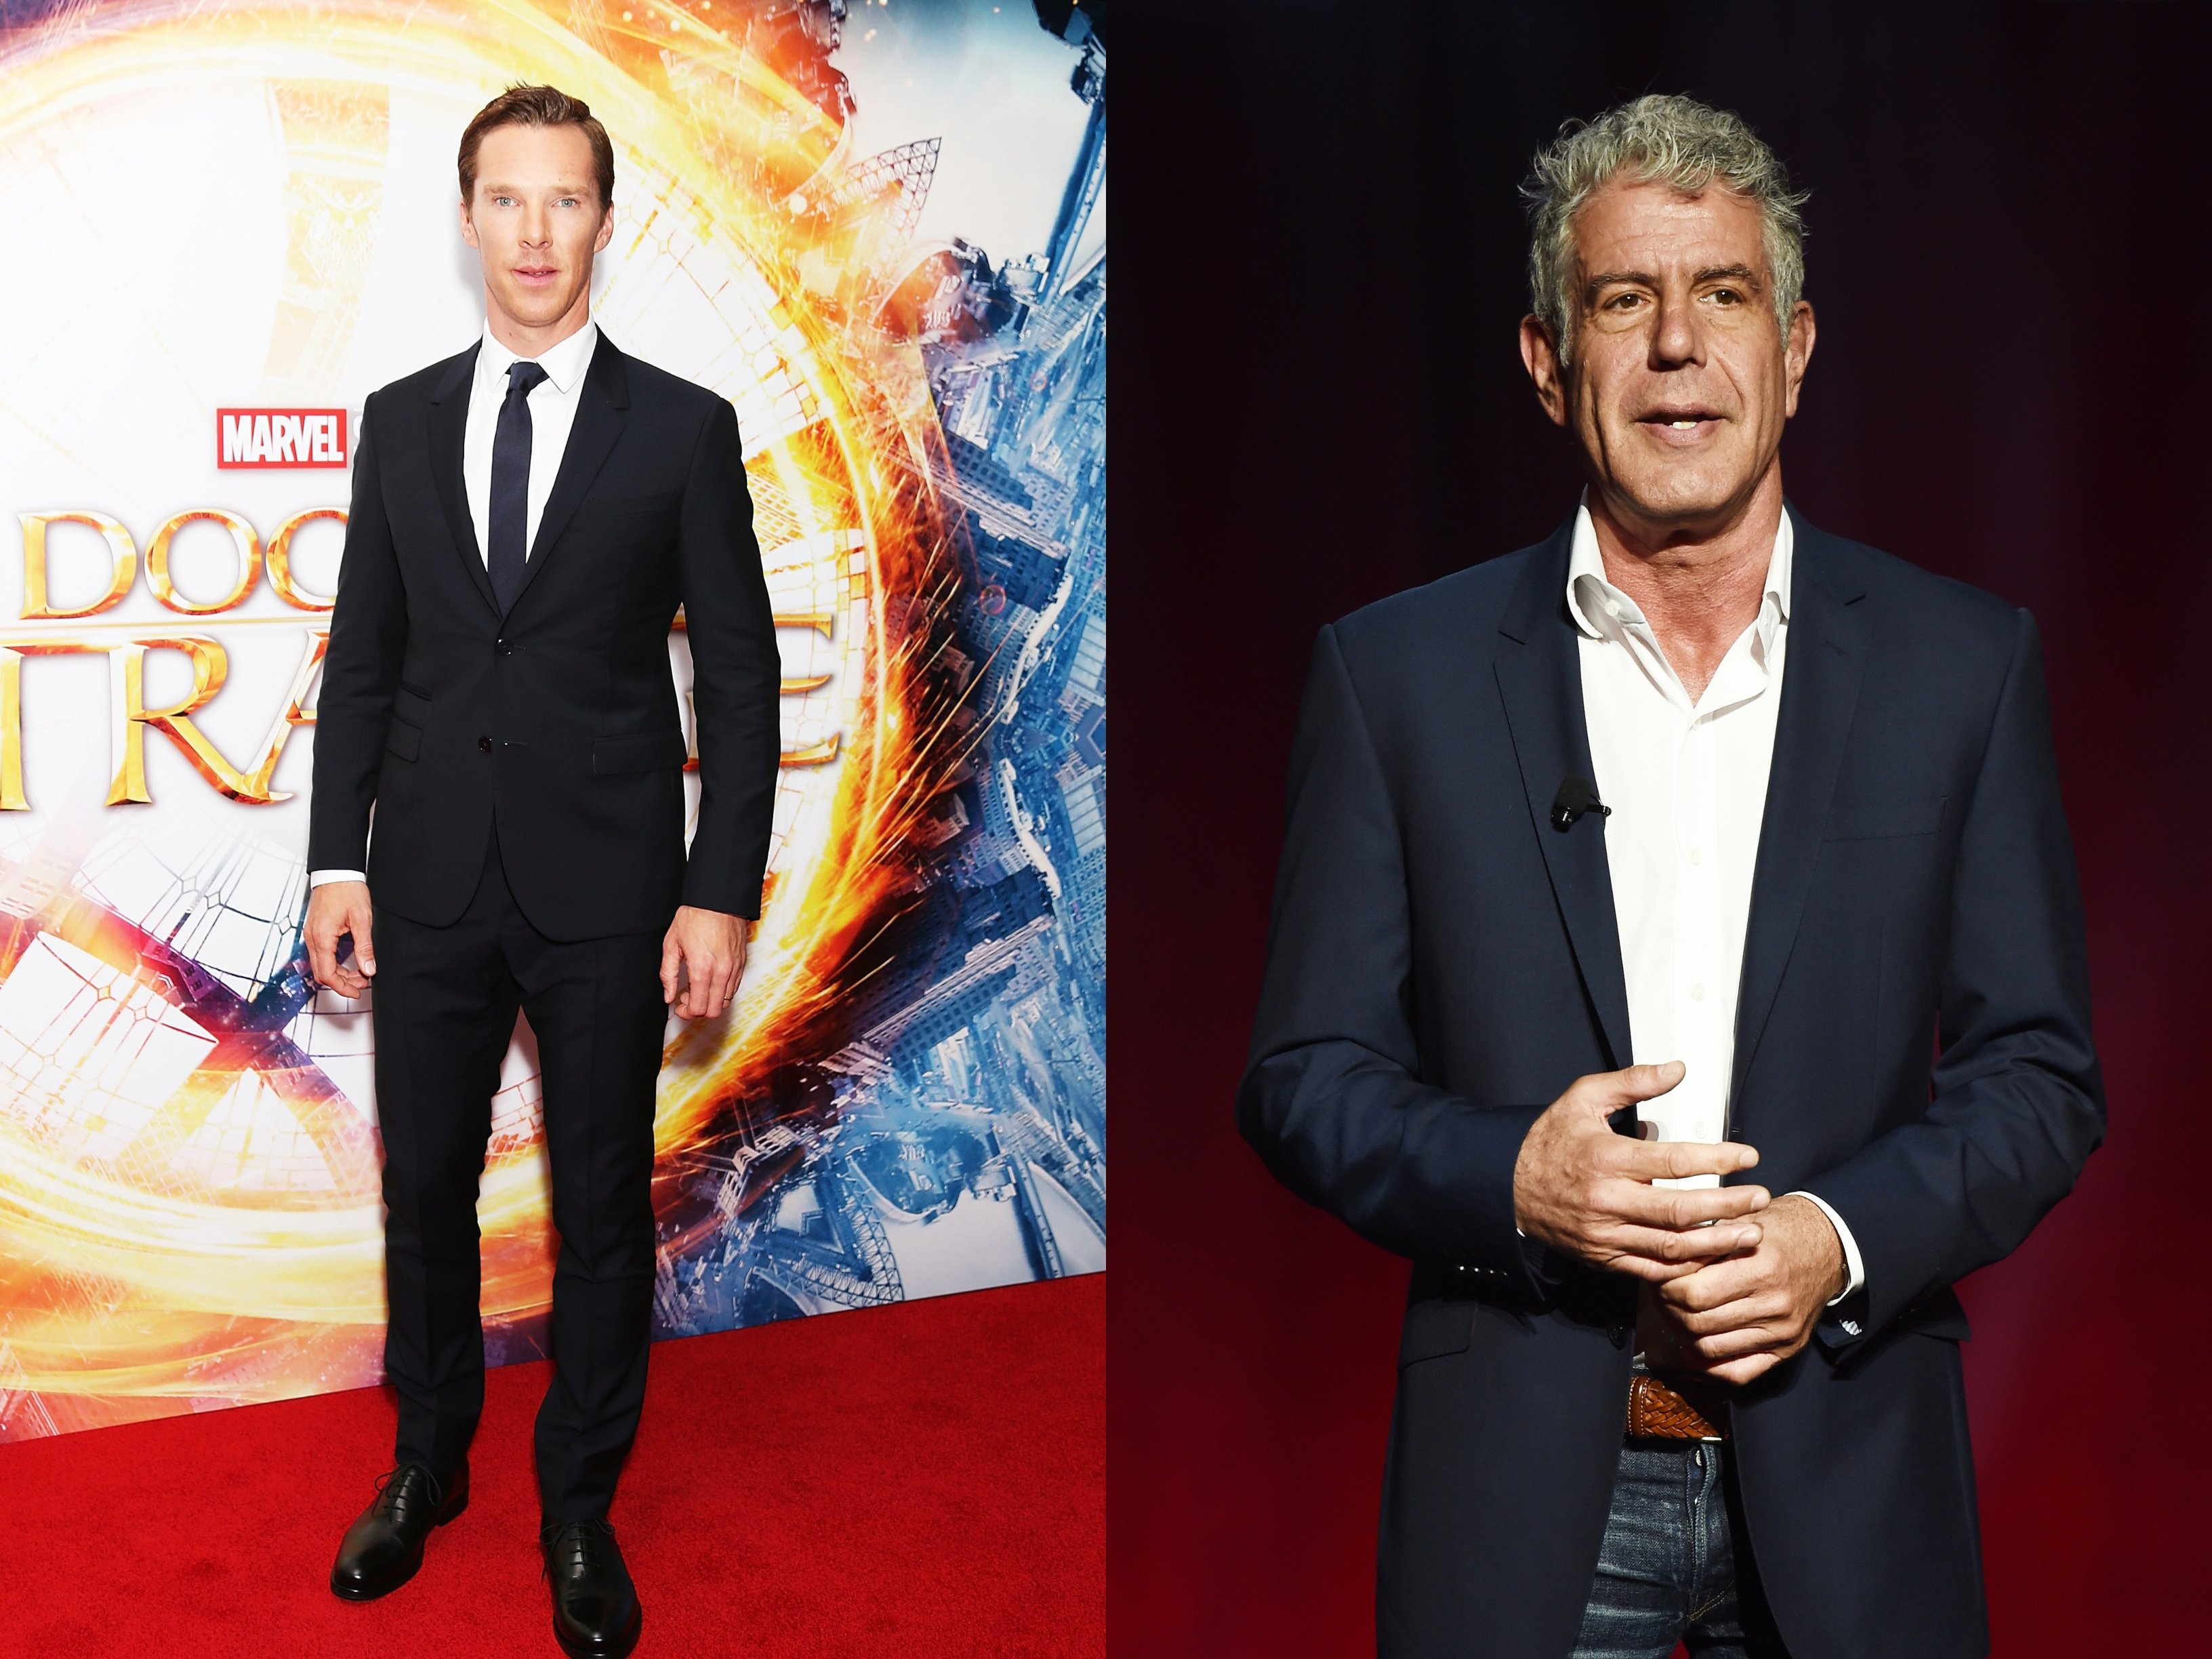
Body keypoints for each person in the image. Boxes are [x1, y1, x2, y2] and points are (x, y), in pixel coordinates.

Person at [1238, 94, 2102, 1659]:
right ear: (1548, 363)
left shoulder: (1962, 666)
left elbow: (2041, 1075)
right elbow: (1303, 1077)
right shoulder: (1396, 678)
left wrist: (1833, 1238)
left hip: (1850, 1475)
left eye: (1723, 295)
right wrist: (1517, 1180)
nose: (1678, 346)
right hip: (1523, 1494)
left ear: (1798, 343)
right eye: (1624, 301)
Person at [302, 83, 779, 1659]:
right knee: (425, 1191)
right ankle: (427, 1465)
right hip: (427, 874)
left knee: (599, 1212)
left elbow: (744, 678)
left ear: (603, 217)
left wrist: (719, 890)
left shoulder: (687, 431)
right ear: (465, 216)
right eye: (505, 199)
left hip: (609, 894)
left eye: (562, 199)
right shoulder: (401, 420)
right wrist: (331, 862)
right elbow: (365, 661)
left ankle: (579, 1500)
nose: (532, 231)